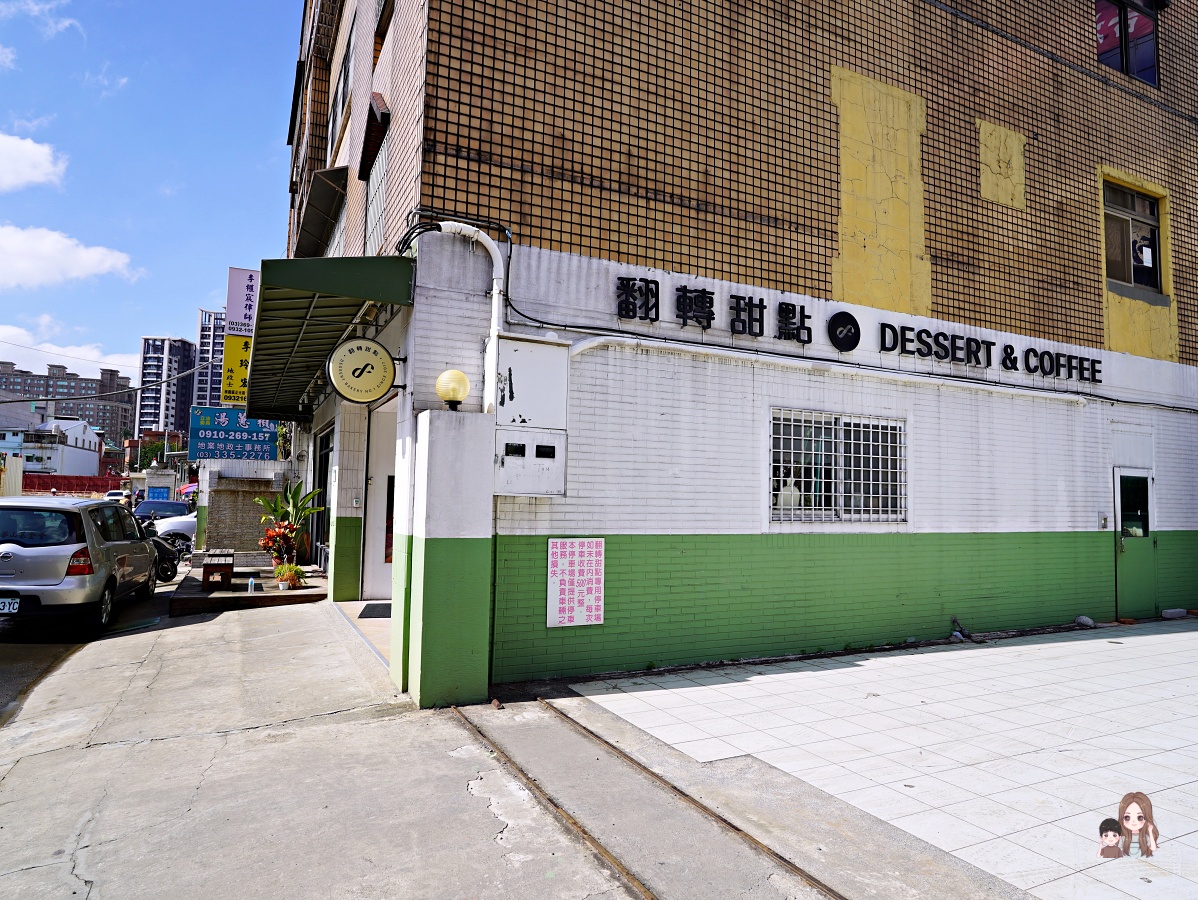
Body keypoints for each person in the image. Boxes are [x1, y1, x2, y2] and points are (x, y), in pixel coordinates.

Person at [1118, 791, 1159, 858]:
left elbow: (1153, 848)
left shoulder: (1145, 837)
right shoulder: (1123, 838)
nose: (1133, 822)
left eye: (1140, 817)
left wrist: (1150, 831)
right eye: (1127, 817)